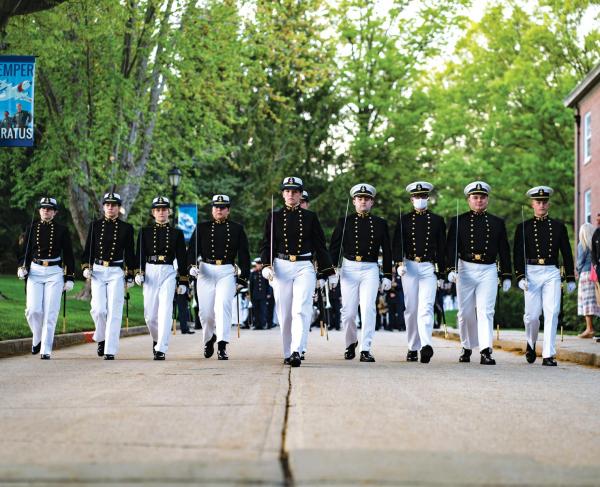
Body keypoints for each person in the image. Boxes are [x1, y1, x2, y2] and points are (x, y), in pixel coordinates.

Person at [260, 177, 335, 367]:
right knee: (284, 312)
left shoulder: (310, 217)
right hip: (281, 264)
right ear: (283, 194)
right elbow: (267, 244)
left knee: (301, 309)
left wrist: (327, 272)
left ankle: (297, 350)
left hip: (304, 266)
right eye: (287, 191)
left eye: (295, 191)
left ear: (301, 194)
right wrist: (266, 265)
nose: (291, 194)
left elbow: (320, 245)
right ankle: (287, 351)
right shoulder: (274, 217)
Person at [447, 181, 512, 365]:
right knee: (465, 312)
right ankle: (466, 346)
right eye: (475, 197)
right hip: (465, 268)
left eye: (482, 197)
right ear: (468, 200)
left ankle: (485, 350)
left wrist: (506, 274)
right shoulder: (458, 221)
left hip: (488, 269)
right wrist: (451, 269)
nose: (479, 200)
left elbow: (504, 250)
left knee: (486, 311)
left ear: (487, 199)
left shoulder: (497, 223)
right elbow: (451, 248)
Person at [329, 183, 392, 362]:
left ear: (372, 202)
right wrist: (331, 270)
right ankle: (350, 343)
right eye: (360, 199)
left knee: (368, 309)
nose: (363, 202)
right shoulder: (345, 221)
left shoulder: (380, 224)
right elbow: (334, 247)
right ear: (354, 201)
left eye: (366, 199)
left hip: (370, 268)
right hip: (349, 267)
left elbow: (387, 250)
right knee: (348, 312)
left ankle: (366, 348)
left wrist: (387, 274)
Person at [514, 186, 576, 366]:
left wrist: (570, 277)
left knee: (552, 312)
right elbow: (518, 254)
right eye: (538, 202)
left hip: (551, 272)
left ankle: (549, 353)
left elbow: (566, 252)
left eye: (544, 202)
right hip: (531, 271)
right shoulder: (523, 227)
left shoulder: (558, 226)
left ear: (548, 204)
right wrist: (520, 276)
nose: (541, 205)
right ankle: (531, 342)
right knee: (532, 316)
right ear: (532, 204)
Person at [188, 195, 250, 360]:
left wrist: (243, 278)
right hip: (206, 270)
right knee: (206, 312)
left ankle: (222, 344)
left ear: (228, 210)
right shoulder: (202, 227)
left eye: (222, 207)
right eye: (216, 207)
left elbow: (244, 255)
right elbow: (192, 251)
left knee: (223, 306)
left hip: (226, 270)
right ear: (212, 209)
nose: (219, 210)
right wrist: (191, 266)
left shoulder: (237, 229)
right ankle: (209, 338)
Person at [393, 181, 446, 363]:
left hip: (428, 267)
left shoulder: (437, 221)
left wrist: (442, 273)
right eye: (417, 197)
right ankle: (412, 346)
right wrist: (399, 262)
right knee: (411, 308)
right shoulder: (404, 220)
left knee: (426, 307)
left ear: (428, 198)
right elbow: (397, 243)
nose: (420, 199)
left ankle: (425, 345)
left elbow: (442, 248)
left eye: (423, 196)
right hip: (409, 266)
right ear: (411, 199)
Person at [17, 197, 75, 359]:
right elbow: (25, 252)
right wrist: (22, 266)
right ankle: (37, 337)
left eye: (49, 209)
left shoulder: (62, 230)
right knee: (33, 310)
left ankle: (46, 349)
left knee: (50, 312)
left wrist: (69, 277)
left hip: (54, 273)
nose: (46, 211)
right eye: (43, 208)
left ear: (55, 212)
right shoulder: (31, 228)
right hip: (35, 271)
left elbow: (69, 255)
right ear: (39, 210)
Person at [81, 192, 135, 360]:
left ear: (119, 208)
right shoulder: (95, 226)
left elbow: (130, 254)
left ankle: (109, 349)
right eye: (107, 205)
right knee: (98, 309)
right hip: (97, 270)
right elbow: (88, 248)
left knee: (114, 309)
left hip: (116, 272)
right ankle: (101, 336)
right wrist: (85, 267)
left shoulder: (126, 228)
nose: (110, 207)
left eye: (114, 205)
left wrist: (131, 274)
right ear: (103, 207)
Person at [134, 196, 189, 360]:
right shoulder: (145, 232)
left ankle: (161, 348)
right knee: (150, 315)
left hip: (168, 271)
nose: (161, 212)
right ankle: (156, 338)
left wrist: (183, 280)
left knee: (165, 310)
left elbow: (182, 258)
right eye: (158, 210)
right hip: (150, 270)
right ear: (153, 212)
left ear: (169, 212)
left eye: (164, 209)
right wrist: (139, 272)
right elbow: (140, 254)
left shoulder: (177, 233)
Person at [576, 223, 599, 338]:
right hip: (596, 274)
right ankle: (591, 329)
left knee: (587, 302)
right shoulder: (596, 243)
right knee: (596, 301)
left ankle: (589, 329)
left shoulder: (582, 245)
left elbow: (580, 262)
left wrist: (577, 272)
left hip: (586, 275)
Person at [249, 258, 270, 330]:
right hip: (255, 296)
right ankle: (256, 325)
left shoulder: (265, 273)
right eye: (258, 264)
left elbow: (268, 284)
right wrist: (250, 295)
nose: (259, 266)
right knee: (255, 311)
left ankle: (263, 324)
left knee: (263, 311)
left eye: (260, 264)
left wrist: (268, 293)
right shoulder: (253, 273)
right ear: (256, 265)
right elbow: (250, 286)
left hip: (263, 295)